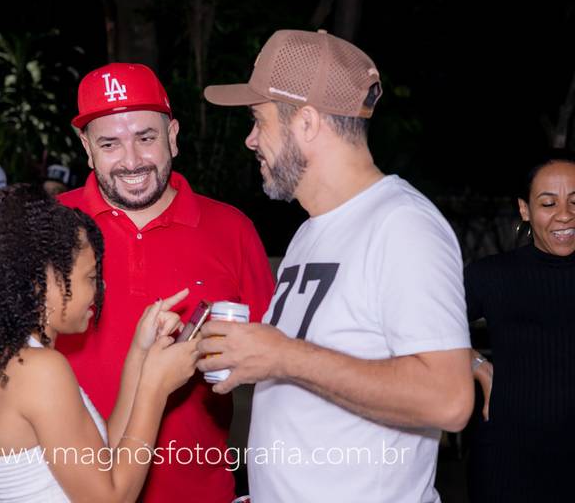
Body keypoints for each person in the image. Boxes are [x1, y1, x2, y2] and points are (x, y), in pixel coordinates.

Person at [199, 29, 474, 502]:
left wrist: (285, 356)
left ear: (306, 122)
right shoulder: (311, 231)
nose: (250, 139)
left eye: (259, 120)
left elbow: (449, 400)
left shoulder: (402, 225)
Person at [56, 62, 274, 502]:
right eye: (110, 143)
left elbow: (279, 368)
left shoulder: (231, 230)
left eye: (146, 138)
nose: (131, 161)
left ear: (172, 135)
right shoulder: (48, 229)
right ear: (86, 147)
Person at [0, 184, 199, 502]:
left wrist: (140, 353)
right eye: (91, 277)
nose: (100, 290)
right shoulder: (39, 370)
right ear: (42, 282)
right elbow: (112, 499)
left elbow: (101, 459)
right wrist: (155, 389)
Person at [465, 152, 575, 502]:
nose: (564, 214)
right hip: (508, 461)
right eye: (548, 203)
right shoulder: (491, 275)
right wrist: (478, 367)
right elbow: (421, 324)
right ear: (525, 209)